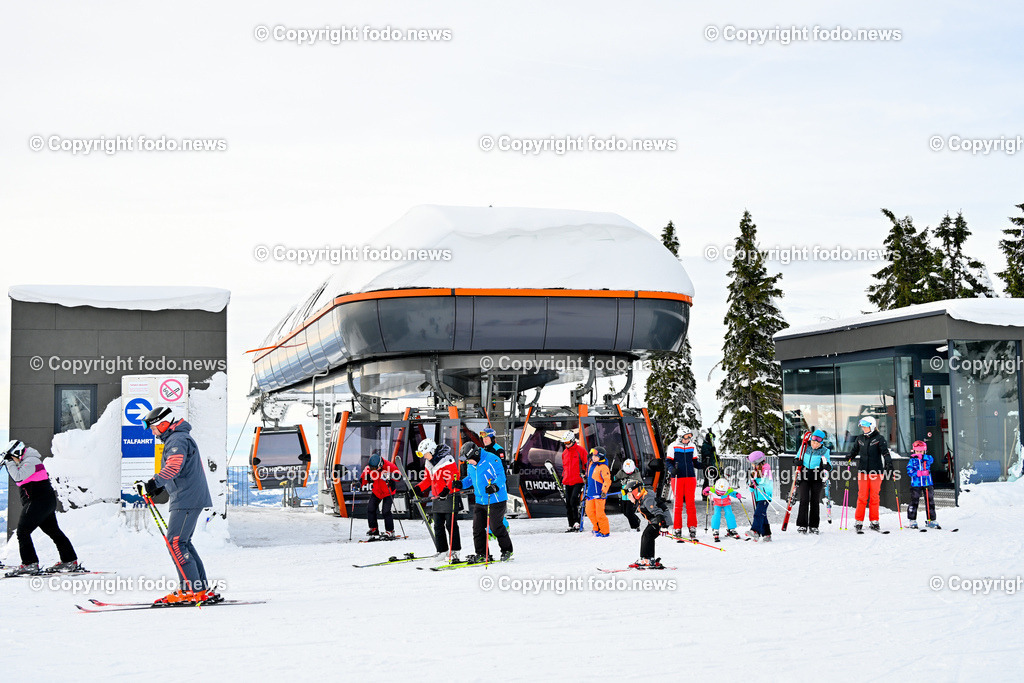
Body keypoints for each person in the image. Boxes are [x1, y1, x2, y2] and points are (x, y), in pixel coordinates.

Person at [138, 407, 217, 604]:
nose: (152, 432)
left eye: (153, 428)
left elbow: (173, 467)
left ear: (164, 424)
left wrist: (152, 484)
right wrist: (156, 488)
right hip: (188, 496)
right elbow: (180, 471)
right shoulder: (177, 438)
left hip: (186, 498)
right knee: (182, 542)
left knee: (175, 542)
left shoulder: (177, 440)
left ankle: (190, 590)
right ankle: (200, 588)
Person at [2, 440, 79, 576]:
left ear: (17, 453)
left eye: (12, 457)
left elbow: (18, 477)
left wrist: (8, 462)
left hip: (38, 502)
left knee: (23, 532)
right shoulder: (29, 460)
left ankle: (29, 564)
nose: (13, 460)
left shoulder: (31, 461)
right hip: (44, 502)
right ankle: (69, 560)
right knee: (54, 531)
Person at [452, 443, 513, 562]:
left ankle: (507, 550)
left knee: (496, 527)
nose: (468, 462)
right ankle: (482, 554)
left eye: (469, 459)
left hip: (496, 499)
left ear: (475, 454)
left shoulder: (492, 459)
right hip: (480, 500)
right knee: (477, 528)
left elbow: (501, 476)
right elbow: (471, 478)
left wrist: (494, 486)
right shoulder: (471, 464)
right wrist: (461, 484)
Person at [415, 438, 462, 560]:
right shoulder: (429, 463)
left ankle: (455, 550)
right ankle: (442, 550)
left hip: (449, 496)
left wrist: (447, 489)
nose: (424, 457)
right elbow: (427, 480)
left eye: (425, 454)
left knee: (451, 524)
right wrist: (418, 488)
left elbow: (454, 477)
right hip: (437, 497)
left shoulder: (447, 460)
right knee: (437, 525)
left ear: (431, 450)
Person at [849, 416, 893, 533]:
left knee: (874, 497)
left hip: (876, 472)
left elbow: (885, 452)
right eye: (862, 427)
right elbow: (855, 450)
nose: (863, 429)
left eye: (865, 427)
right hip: (863, 471)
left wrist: (889, 463)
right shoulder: (860, 438)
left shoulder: (879, 439)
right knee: (862, 497)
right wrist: (850, 456)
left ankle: (874, 521)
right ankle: (859, 521)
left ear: (872, 426)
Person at [623, 480, 671, 569]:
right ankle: (648, 559)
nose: (628, 498)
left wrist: (663, 525)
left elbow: (658, 512)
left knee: (647, 535)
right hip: (655, 521)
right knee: (647, 536)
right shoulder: (642, 498)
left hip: (661, 520)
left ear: (636, 492)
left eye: (629, 495)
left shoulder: (647, 500)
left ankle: (647, 560)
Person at [666, 427, 701, 540]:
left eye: (690, 436)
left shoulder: (692, 446)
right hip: (677, 478)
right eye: (686, 437)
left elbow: (694, 462)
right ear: (680, 437)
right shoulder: (673, 446)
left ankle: (692, 527)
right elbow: (668, 461)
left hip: (690, 477)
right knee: (678, 503)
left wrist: (703, 465)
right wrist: (671, 469)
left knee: (691, 503)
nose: (689, 439)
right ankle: (677, 528)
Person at [795, 429, 832, 534]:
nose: (814, 444)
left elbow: (829, 466)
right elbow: (796, 457)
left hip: (817, 477)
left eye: (816, 443)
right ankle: (802, 525)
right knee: (804, 499)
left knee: (815, 501)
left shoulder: (825, 451)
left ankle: (814, 525)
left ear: (821, 443)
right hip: (804, 476)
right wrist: (797, 461)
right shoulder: (804, 447)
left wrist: (826, 466)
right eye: (813, 442)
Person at [361, 451, 401, 539]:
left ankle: (390, 531)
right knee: (370, 508)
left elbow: (399, 477)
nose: (374, 470)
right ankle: (374, 529)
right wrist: (358, 484)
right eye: (372, 468)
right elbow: (363, 478)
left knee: (385, 511)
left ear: (380, 464)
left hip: (388, 492)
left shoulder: (389, 466)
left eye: (376, 468)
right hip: (377, 492)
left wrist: (390, 475)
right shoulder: (370, 468)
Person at [907, 440, 939, 529]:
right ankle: (912, 520)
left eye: (921, 451)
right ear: (914, 451)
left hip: (927, 483)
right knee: (914, 501)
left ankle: (931, 520)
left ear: (924, 451)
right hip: (916, 484)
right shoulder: (912, 461)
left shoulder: (927, 458)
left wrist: (923, 457)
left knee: (930, 501)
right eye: (917, 451)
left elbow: (931, 459)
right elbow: (909, 471)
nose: (919, 453)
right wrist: (918, 473)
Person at [560, 431, 587, 532]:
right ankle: (570, 524)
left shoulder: (580, 450)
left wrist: (585, 474)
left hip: (578, 480)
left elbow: (587, 464)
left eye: (568, 442)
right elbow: (565, 467)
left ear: (573, 440)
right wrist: (563, 477)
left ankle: (577, 522)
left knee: (573, 500)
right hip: (567, 481)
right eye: (565, 443)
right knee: (568, 503)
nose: (566, 445)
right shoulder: (564, 453)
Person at [702, 478, 743, 542]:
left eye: (723, 493)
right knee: (716, 514)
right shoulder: (712, 489)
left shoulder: (728, 490)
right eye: (718, 493)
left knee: (729, 514)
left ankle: (731, 529)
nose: (720, 494)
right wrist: (705, 491)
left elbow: (733, 493)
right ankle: (715, 529)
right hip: (717, 504)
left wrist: (737, 494)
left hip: (726, 503)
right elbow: (705, 492)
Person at [585, 447, 612, 537]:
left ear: (600, 457)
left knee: (600, 514)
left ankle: (604, 531)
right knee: (589, 511)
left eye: (596, 456)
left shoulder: (603, 467)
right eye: (593, 456)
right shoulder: (591, 464)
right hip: (591, 493)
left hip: (599, 494)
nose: (593, 457)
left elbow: (607, 480)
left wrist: (604, 491)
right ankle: (596, 527)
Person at [747, 451, 774, 542]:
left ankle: (755, 530)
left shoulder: (766, 468)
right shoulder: (755, 471)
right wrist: (751, 485)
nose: (752, 465)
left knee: (758, 514)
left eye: (752, 463)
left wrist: (755, 482)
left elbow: (764, 481)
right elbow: (751, 483)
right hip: (758, 496)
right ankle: (767, 534)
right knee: (763, 515)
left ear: (757, 462)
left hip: (765, 496)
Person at [613, 458, 642, 531]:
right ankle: (636, 520)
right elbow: (615, 478)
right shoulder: (621, 472)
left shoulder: (636, 474)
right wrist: (613, 477)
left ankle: (635, 527)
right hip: (624, 495)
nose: (628, 474)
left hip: (632, 496)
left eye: (630, 473)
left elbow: (641, 484)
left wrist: (632, 485)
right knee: (624, 512)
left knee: (629, 512)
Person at [699, 430, 719, 501]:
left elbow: (713, 454)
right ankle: (705, 495)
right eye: (713, 439)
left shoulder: (711, 445)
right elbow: (705, 454)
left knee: (717, 478)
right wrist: (711, 451)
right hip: (707, 465)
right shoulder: (705, 445)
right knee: (707, 480)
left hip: (712, 464)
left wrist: (716, 456)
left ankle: (717, 493)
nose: (713, 440)